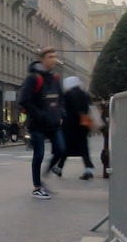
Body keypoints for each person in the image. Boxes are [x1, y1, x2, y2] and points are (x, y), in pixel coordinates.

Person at [18, 46, 65, 200]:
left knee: (60, 150)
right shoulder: (33, 78)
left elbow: (60, 98)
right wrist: (40, 114)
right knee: (39, 154)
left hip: (54, 122)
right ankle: (37, 187)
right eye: (50, 56)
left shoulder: (55, 78)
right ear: (42, 59)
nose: (54, 60)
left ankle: (44, 176)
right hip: (38, 123)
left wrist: (61, 113)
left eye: (55, 56)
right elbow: (24, 100)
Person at [54, 76, 96, 180]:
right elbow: (88, 108)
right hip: (83, 125)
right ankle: (89, 170)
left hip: (70, 126)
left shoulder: (68, 94)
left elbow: (63, 109)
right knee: (83, 148)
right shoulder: (85, 94)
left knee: (65, 148)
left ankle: (59, 168)